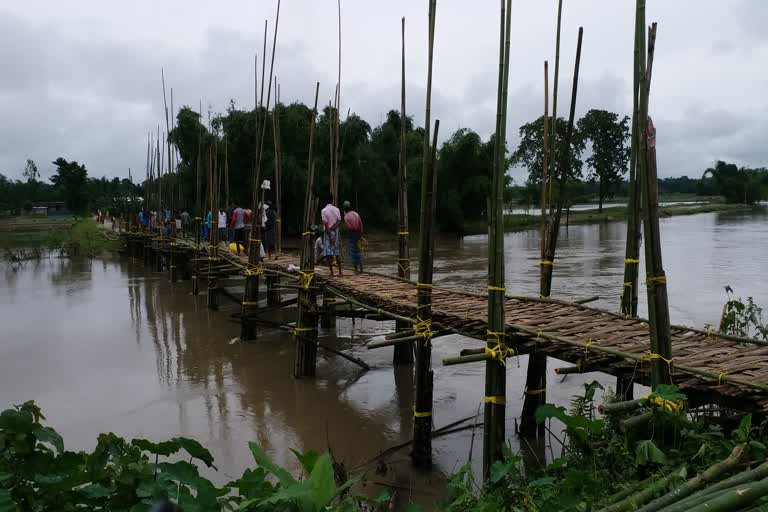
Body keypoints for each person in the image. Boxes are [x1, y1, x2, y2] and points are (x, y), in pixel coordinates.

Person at [321, 194, 343, 276]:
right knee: (337, 252)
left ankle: (332, 272)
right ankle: (340, 272)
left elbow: (325, 224)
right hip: (335, 232)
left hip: (327, 233)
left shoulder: (323, 210)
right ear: (332, 200)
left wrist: (330, 233)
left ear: (325, 201)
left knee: (328, 254)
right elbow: (339, 221)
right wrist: (334, 229)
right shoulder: (337, 209)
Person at [342, 200, 364, 273]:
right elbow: (361, 225)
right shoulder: (356, 214)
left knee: (352, 251)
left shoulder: (346, 217)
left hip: (352, 235)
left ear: (344, 209)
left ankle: (356, 269)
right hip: (358, 234)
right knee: (358, 250)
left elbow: (350, 228)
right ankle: (361, 269)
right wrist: (360, 235)